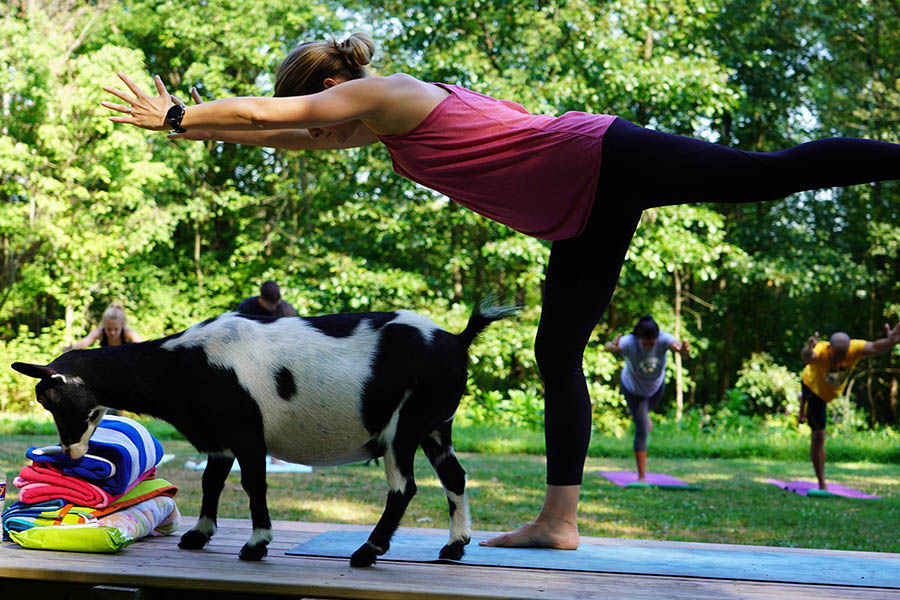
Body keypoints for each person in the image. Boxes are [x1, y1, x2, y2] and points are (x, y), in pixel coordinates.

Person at [101, 32, 900, 549]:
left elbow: (285, 113)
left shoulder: (386, 92)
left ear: (340, 85)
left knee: (766, 176)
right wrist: (189, 128)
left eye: (327, 120)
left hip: (600, 157)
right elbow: (279, 128)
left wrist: (177, 113)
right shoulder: (378, 130)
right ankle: (559, 520)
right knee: (558, 355)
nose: (322, 141)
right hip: (579, 215)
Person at [800, 326, 900, 490]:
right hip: (814, 390)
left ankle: (801, 404)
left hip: (830, 391)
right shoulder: (821, 349)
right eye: (836, 356)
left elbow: (875, 347)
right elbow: (808, 357)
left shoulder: (854, 348)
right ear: (829, 348)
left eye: (842, 356)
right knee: (818, 437)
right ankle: (822, 483)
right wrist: (808, 347)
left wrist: (890, 342)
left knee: (819, 433)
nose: (839, 361)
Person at [604, 316, 690, 482]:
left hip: (656, 388)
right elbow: (608, 347)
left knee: (644, 417)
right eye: (645, 344)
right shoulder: (629, 342)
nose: (649, 347)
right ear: (638, 339)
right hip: (633, 389)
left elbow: (678, 347)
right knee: (642, 429)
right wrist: (612, 347)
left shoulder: (664, 339)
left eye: (653, 343)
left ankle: (645, 414)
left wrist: (683, 350)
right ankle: (642, 476)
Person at [63, 303, 142, 352]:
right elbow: (84, 343)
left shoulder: (128, 333)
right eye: (109, 329)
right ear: (104, 325)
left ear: (122, 325)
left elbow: (143, 347)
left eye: (116, 329)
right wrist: (70, 348)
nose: (112, 333)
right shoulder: (99, 332)